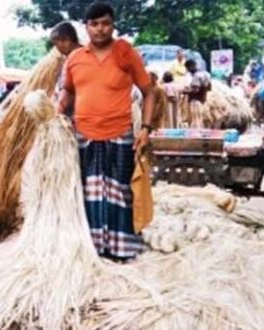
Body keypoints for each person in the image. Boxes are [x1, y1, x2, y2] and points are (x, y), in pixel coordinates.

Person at [57, 2, 155, 261]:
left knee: (120, 192)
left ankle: (122, 249)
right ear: (86, 27)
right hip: (84, 136)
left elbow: (149, 92)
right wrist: (56, 114)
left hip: (120, 134)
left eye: (106, 24)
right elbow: (68, 90)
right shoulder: (75, 58)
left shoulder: (125, 52)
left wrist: (145, 128)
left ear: (113, 25)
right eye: (95, 24)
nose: (101, 29)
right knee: (89, 193)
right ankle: (95, 249)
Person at [183, 59, 211, 128]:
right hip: (203, 100)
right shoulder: (206, 74)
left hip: (195, 101)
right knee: (200, 120)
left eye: (188, 69)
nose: (188, 71)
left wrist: (184, 91)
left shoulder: (196, 76)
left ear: (191, 66)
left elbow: (195, 90)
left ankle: (196, 136)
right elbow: (209, 88)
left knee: (196, 121)